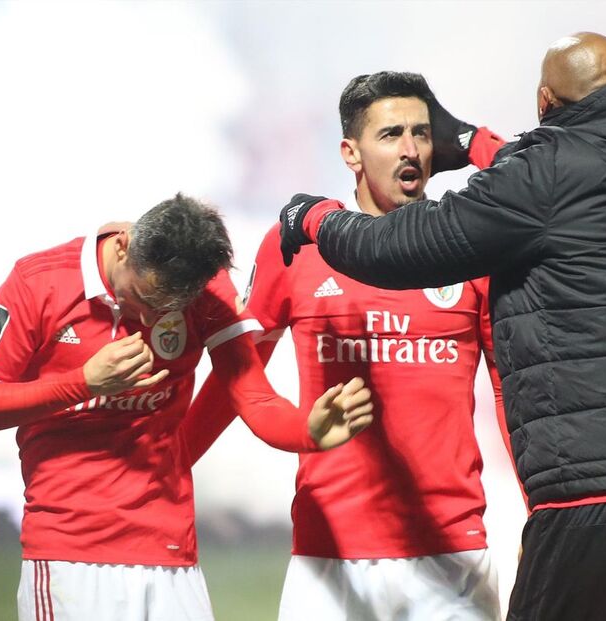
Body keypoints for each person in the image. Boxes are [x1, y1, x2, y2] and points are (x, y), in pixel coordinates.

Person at [278, 33, 606, 621]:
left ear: (545, 101)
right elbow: (560, 176)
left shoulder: (544, 176)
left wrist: (314, 217)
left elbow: (403, 247)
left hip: (600, 501)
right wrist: (473, 143)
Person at [0, 193, 374, 621]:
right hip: (69, 556)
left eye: (168, 309)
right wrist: (83, 383)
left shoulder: (205, 289)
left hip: (170, 552)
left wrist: (308, 430)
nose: (152, 321)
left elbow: (253, 396)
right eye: (145, 300)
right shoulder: (39, 281)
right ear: (122, 246)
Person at [183, 72, 509, 621]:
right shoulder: (297, 244)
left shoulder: (468, 243)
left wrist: (544, 508)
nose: (410, 150)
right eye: (390, 135)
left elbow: (511, 393)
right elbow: (239, 374)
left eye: (422, 134)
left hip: (453, 554)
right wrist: (171, 463)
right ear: (350, 153)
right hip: (328, 554)